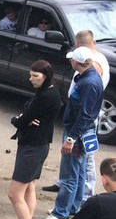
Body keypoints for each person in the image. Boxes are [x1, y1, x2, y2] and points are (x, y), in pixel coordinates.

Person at [40, 47, 104, 219]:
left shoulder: (88, 83)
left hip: (77, 132)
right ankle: (73, 208)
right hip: (83, 131)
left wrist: (71, 138)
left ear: (76, 62)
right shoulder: (88, 78)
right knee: (80, 171)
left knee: (69, 174)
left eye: (72, 60)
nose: (70, 62)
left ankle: (60, 213)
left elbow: (84, 114)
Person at [42, 30, 110, 197]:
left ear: (78, 45)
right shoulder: (92, 62)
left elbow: (87, 107)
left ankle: (84, 196)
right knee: (76, 163)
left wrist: (72, 137)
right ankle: (69, 188)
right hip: (80, 119)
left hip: (82, 122)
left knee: (84, 162)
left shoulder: (92, 69)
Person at [7, 60, 62, 219]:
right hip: (38, 145)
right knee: (29, 187)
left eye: (35, 76)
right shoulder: (49, 91)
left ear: (45, 76)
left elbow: (21, 121)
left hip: (32, 148)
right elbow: (28, 118)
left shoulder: (46, 96)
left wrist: (18, 119)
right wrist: (26, 118)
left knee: (14, 194)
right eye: (30, 75)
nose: (31, 79)